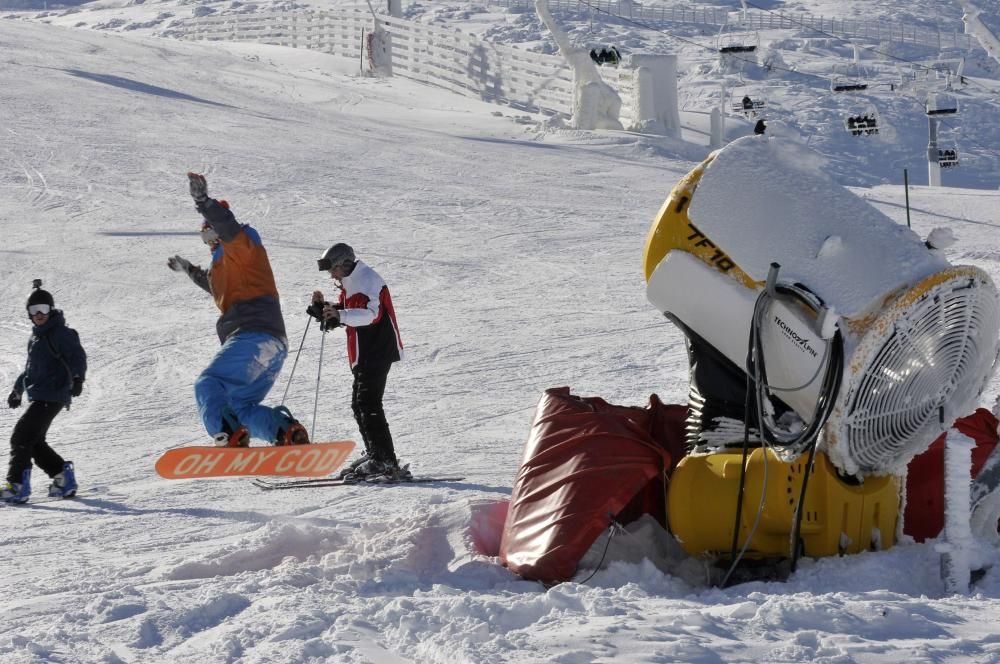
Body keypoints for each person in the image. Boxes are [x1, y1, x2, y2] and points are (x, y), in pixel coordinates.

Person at [167, 173, 308, 448]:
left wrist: (203, 202)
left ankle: (226, 434)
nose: (208, 241)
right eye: (203, 236)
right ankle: (285, 432)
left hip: (252, 336)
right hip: (273, 343)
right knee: (240, 406)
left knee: (208, 384)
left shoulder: (242, 245)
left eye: (209, 233)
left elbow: (229, 227)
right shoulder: (225, 267)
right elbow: (214, 285)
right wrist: (189, 270)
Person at [308, 243, 404, 478]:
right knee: (359, 404)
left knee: (369, 404)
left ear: (344, 264)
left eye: (333, 269)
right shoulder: (352, 283)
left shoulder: (367, 280)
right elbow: (350, 312)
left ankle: (385, 461)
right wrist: (324, 309)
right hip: (365, 351)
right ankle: (376, 454)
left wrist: (340, 314)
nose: (331, 274)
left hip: (377, 350)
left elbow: (371, 315)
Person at [2, 281, 86, 504]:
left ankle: (16, 485)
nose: (39, 314)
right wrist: (17, 390)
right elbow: (30, 368)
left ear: (51, 309)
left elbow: (77, 356)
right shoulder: (36, 337)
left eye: (43, 309)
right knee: (35, 441)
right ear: (29, 314)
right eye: (34, 310)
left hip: (54, 394)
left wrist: (78, 378)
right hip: (41, 395)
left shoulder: (62, 333)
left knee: (20, 437)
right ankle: (62, 478)